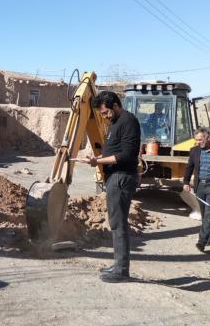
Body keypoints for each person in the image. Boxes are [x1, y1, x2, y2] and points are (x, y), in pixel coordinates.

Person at [88, 91, 141, 283]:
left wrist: (100, 160)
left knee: (118, 224)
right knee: (115, 223)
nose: (104, 116)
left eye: (106, 113)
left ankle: (121, 270)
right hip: (114, 177)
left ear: (116, 106)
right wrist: (97, 160)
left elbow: (127, 154)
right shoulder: (115, 123)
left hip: (121, 177)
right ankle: (118, 264)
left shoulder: (128, 121)